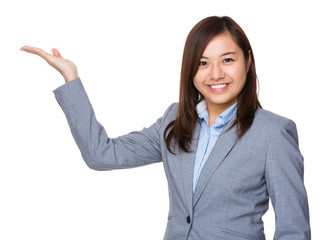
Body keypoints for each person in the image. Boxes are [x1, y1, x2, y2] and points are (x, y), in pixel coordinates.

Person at [20, 16, 311, 240]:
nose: (216, 74)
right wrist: (71, 79)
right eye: (202, 63)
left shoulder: (273, 133)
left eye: (228, 60)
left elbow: (293, 231)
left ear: (247, 61)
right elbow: (101, 155)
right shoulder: (175, 120)